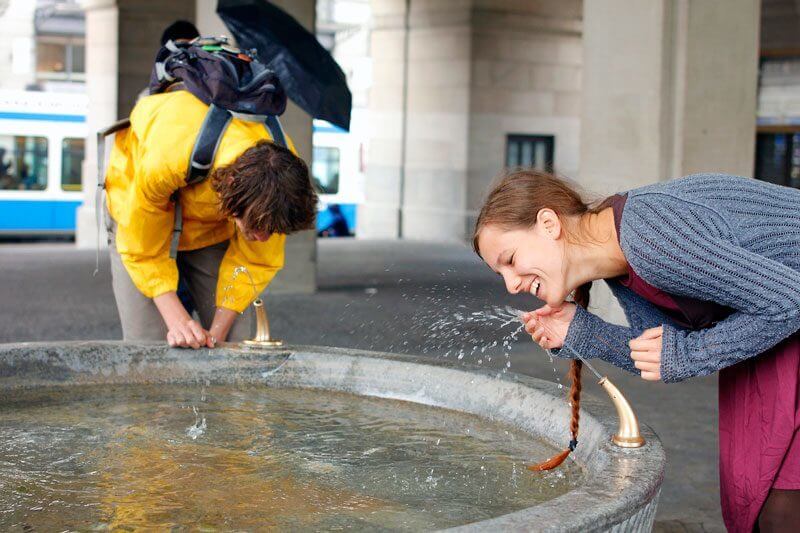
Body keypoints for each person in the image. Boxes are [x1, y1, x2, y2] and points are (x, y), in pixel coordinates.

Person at [472, 170, 800, 532]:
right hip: (775, 338)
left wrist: (689, 353)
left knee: (780, 510)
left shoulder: (646, 234)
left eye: (510, 260)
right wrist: (583, 331)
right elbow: (662, 351)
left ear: (549, 223)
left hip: (786, 326)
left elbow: (787, 303)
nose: (511, 284)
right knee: (768, 505)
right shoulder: (620, 261)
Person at [104, 89, 317, 349]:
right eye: (259, 226)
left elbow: (255, 260)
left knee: (237, 342)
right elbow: (143, 250)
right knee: (149, 344)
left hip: (207, 223)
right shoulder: (169, 156)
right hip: (137, 209)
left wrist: (215, 336)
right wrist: (179, 321)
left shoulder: (279, 182)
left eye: (271, 230)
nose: (263, 238)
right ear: (231, 188)